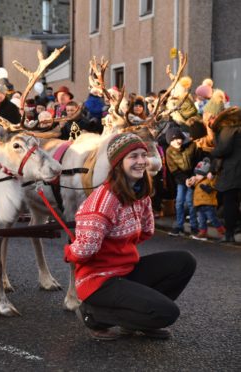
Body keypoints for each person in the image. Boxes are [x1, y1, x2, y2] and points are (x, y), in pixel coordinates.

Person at [66, 132, 197, 341]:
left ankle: (137, 320)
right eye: (133, 157)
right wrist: (69, 252)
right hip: (98, 281)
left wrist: (119, 247)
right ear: (118, 163)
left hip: (124, 270)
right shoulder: (104, 200)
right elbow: (84, 250)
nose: (141, 161)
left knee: (185, 261)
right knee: (168, 313)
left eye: (143, 155)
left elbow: (146, 231)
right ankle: (94, 315)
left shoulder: (139, 192)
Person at [210, 107, 241, 243]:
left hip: (232, 171)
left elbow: (223, 150)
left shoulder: (229, 129)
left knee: (229, 202)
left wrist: (213, 152)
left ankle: (229, 234)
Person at [166, 127, 200, 237]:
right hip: (181, 179)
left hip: (193, 177)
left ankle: (194, 227)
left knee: (190, 202)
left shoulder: (191, 145)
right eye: (173, 140)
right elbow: (174, 170)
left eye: (178, 138)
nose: (177, 142)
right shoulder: (169, 151)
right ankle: (179, 226)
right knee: (179, 202)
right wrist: (185, 180)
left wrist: (195, 176)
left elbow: (198, 161)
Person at [187, 158, 226, 241]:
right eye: (196, 174)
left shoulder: (209, 179)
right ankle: (203, 233)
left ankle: (222, 231)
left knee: (213, 219)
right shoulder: (197, 182)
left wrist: (210, 179)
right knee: (201, 220)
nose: (197, 176)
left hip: (208, 204)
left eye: (199, 174)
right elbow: (195, 190)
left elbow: (213, 186)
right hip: (199, 204)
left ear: (205, 174)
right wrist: (190, 183)